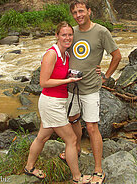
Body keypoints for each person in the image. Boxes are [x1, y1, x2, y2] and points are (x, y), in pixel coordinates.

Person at [59, 0, 122, 184]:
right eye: (75, 13)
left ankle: (98, 169)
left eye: (81, 11)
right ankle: (76, 148)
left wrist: (106, 76)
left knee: (92, 127)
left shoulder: (101, 31)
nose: (78, 15)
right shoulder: (72, 32)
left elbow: (117, 56)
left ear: (89, 11)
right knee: (73, 120)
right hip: (71, 87)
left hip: (90, 89)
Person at [24, 21, 92, 184]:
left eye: (70, 35)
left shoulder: (66, 54)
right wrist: (68, 80)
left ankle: (29, 167)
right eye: (64, 35)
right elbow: (43, 82)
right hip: (51, 103)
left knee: (42, 137)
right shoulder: (51, 54)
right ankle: (77, 177)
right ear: (56, 36)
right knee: (71, 140)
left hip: (59, 101)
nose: (67, 38)